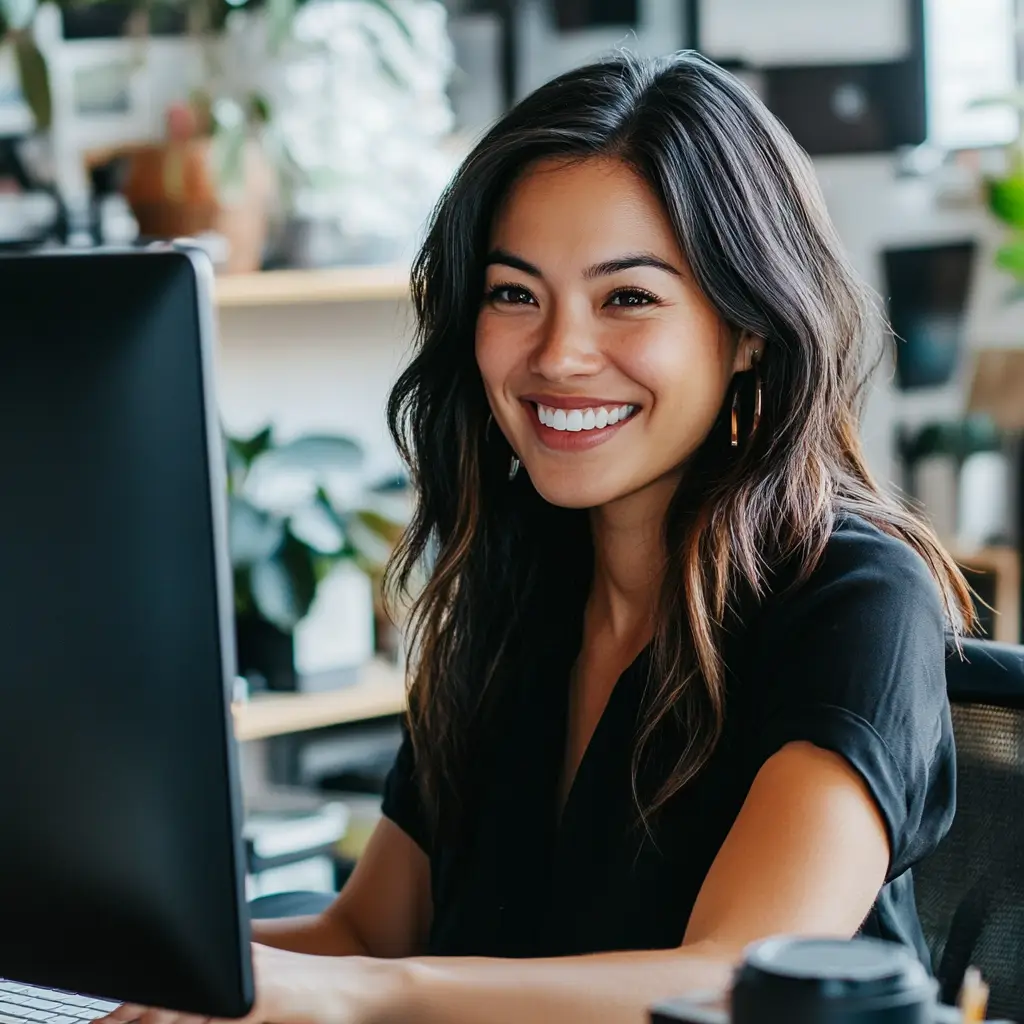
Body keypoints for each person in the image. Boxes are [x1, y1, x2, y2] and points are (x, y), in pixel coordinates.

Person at [100, 50, 975, 1024]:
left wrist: (367, 996)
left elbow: (737, 980)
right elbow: (363, 935)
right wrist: (109, 969)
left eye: (628, 297)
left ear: (747, 329)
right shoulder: (515, 578)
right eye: (514, 293)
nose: (558, 354)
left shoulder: (853, 597)